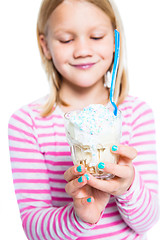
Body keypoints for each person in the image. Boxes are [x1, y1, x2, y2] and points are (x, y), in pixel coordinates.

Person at [8, 0, 159, 239]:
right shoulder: (28, 122)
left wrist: (128, 187)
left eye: (97, 36)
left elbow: (147, 222)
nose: (82, 50)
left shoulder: (136, 113)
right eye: (67, 40)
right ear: (45, 46)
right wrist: (78, 216)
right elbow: (33, 228)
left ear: (115, 41)